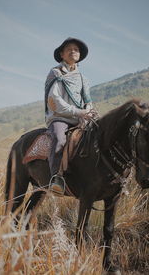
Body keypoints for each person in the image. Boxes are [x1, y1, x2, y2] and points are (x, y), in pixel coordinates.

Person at [44, 37, 93, 195]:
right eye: (69, 49)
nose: (73, 51)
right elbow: (54, 100)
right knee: (59, 139)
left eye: (76, 50)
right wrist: (78, 112)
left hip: (81, 119)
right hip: (60, 117)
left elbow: (88, 100)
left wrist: (89, 110)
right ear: (62, 54)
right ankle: (56, 179)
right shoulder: (56, 73)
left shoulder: (83, 78)